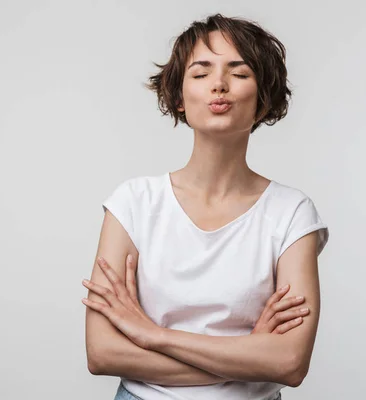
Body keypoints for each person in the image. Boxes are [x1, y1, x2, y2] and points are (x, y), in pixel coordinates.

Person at [82, 13, 329, 400]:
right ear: (179, 99)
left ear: (263, 103)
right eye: (200, 73)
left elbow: (289, 363)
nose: (219, 85)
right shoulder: (133, 203)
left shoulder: (291, 213)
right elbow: (101, 352)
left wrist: (152, 336)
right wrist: (247, 356)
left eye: (240, 73)